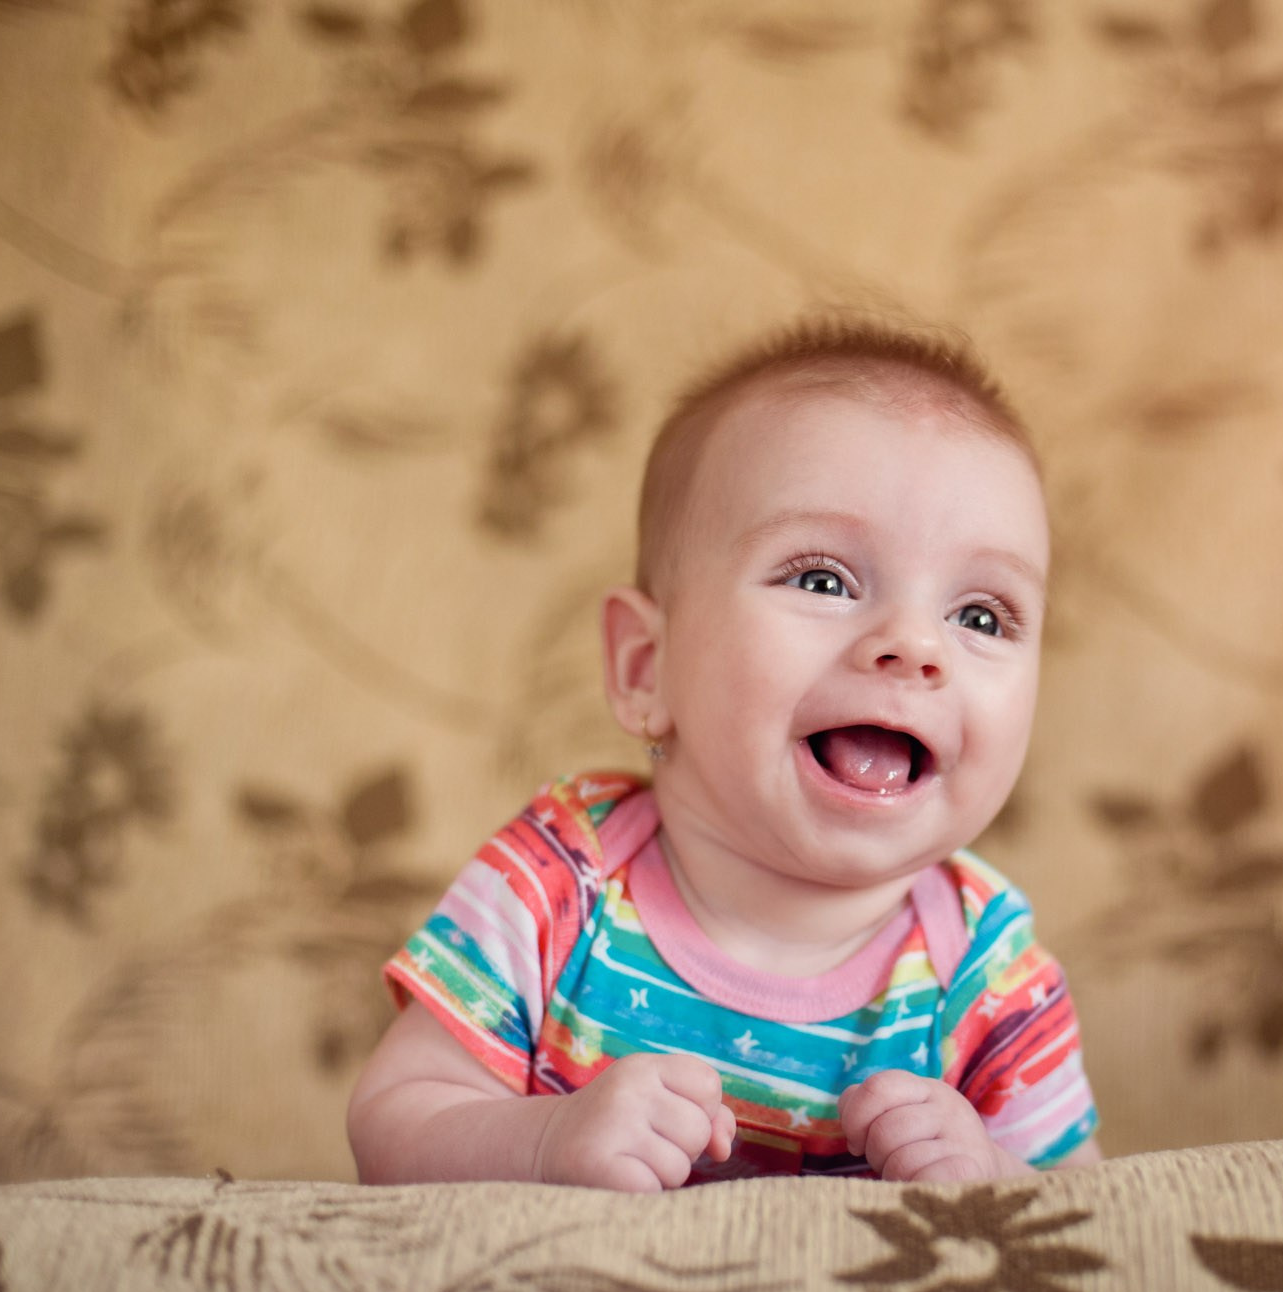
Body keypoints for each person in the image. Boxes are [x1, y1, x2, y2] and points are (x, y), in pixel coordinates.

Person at [347, 319, 1100, 1192]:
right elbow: (392, 1123)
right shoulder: (557, 883)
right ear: (646, 667)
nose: (915, 644)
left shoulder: (990, 976)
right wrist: (545, 1140)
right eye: (823, 579)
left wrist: (993, 1174)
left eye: (982, 616)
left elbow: (1091, 1207)